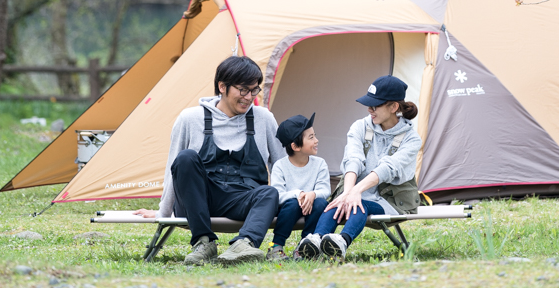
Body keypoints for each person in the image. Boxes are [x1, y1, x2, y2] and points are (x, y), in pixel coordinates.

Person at [133, 56, 287, 266]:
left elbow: (282, 167)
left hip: (242, 199)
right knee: (186, 158)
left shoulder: (264, 119)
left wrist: (295, 203)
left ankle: (244, 245)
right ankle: (204, 243)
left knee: (269, 192)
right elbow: (174, 168)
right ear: (222, 86)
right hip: (199, 200)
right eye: (243, 90)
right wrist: (163, 212)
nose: (249, 97)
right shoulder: (190, 118)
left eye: (254, 90)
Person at [296, 75, 422, 261]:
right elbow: (353, 159)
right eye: (368, 104)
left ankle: (341, 243)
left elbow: (388, 168)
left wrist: (355, 192)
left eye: (375, 105)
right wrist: (347, 193)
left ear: (394, 107)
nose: (369, 109)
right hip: (356, 193)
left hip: (390, 201)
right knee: (338, 202)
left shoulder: (411, 139)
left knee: (358, 203)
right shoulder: (360, 127)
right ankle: (316, 241)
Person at [268, 113, 330, 261]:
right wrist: (299, 194)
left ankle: (305, 246)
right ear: (295, 146)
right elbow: (277, 194)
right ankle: (275, 246)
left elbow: (325, 190)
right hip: (288, 209)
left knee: (321, 202)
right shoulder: (280, 166)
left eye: (315, 136)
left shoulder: (320, 163)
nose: (316, 140)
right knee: (292, 204)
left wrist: (312, 194)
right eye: (311, 138)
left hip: (312, 206)